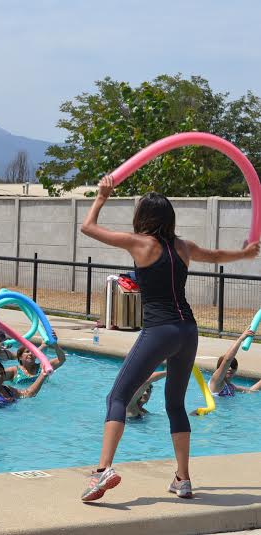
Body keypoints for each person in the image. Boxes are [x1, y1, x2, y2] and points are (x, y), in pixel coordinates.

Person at [78, 175, 259, 502]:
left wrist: (102, 196)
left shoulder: (140, 243)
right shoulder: (183, 247)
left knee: (117, 398)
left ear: (143, 218)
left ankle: (103, 469)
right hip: (188, 332)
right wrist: (245, 254)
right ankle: (183, 478)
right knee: (175, 404)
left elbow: (87, 228)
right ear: (170, 218)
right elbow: (217, 256)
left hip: (159, 330)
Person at [208, 330, 261, 396]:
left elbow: (251, 390)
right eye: (227, 366)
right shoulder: (215, 382)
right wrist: (241, 339)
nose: (230, 368)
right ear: (219, 368)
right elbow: (227, 359)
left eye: (233, 366)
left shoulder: (231, 387)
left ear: (236, 369)